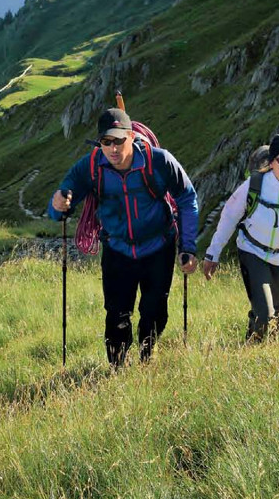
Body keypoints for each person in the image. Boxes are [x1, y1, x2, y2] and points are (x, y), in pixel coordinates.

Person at [49, 107, 199, 367]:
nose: (113, 148)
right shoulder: (92, 167)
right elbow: (61, 204)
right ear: (100, 143)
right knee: (116, 314)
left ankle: (146, 358)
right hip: (117, 250)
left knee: (154, 312)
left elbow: (187, 198)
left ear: (131, 137)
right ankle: (116, 366)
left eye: (119, 140)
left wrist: (187, 246)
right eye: (106, 142)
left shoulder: (158, 161)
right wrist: (58, 204)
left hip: (158, 248)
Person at [202, 132, 279, 342]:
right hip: (253, 252)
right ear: (272, 162)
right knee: (264, 313)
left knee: (277, 313)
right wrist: (213, 253)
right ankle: (251, 349)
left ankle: (266, 354)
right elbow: (229, 217)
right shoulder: (253, 185)